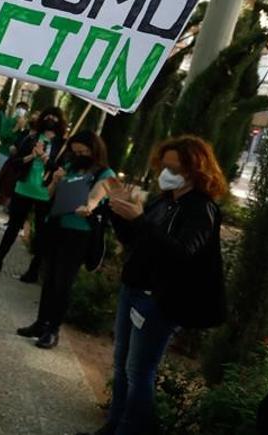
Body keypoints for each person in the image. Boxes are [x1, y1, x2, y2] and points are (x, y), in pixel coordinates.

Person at [83, 136, 227, 435]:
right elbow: (137, 241)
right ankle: (114, 426)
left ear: (195, 170)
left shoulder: (202, 209)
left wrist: (141, 221)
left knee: (139, 372)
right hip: (133, 290)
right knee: (122, 366)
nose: (167, 172)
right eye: (164, 165)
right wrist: (118, 211)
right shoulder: (165, 201)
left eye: (174, 167)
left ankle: (130, 429)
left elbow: (183, 253)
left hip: (160, 301)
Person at [15, 132, 113, 350]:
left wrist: (89, 206)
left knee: (63, 282)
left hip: (79, 233)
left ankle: (53, 330)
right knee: (49, 278)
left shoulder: (106, 174)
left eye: (82, 152)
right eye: (75, 151)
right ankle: (41, 323)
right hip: (56, 227)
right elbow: (49, 195)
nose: (78, 155)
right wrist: (55, 181)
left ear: (94, 150)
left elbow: (97, 196)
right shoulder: (69, 167)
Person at [0, 107, 67, 276]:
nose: (50, 118)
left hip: (45, 193)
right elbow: (15, 162)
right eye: (47, 115)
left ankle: (33, 271)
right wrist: (31, 156)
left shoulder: (63, 145)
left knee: (41, 234)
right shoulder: (31, 137)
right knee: (12, 227)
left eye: (55, 116)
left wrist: (44, 158)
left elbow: (61, 170)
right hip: (24, 188)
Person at [0, 101, 30, 209]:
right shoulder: (8, 121)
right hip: (4, 152)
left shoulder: (26, 125)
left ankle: (5, 202)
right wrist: (15, 128)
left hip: (18, 157)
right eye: (20, 108)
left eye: (24, 109)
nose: (21, 111)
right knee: (0, 175)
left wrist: (22, 129)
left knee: (12, 180)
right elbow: (3, 135)